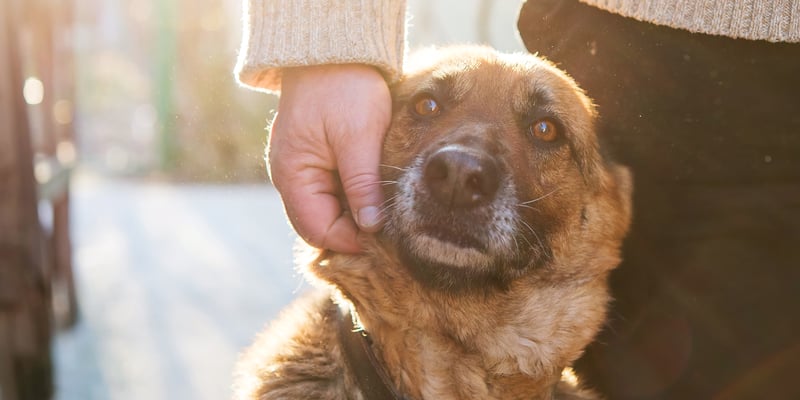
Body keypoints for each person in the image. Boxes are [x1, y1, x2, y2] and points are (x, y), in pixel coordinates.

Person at [235, 0, 800, 398]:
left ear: (608, 209)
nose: (462, 166)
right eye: (427, 108)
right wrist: (328, 43)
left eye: (544, 132)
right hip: (622, 44)